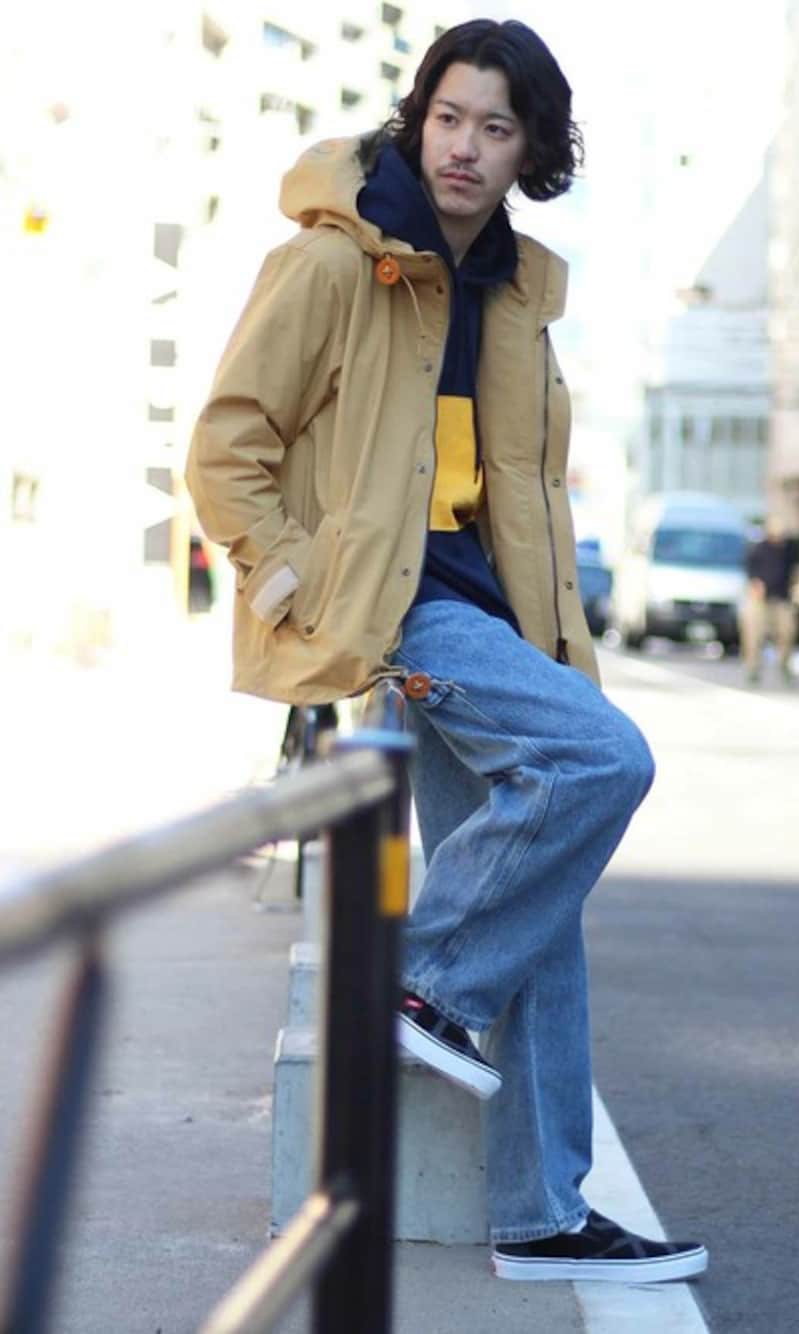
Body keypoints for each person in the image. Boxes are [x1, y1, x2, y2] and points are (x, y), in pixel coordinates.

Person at [185, 18, 707, 1284]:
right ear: (417, 121)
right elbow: (225, 448)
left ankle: (541, 1210)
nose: (464, 147)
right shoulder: (335, 263)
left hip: (489, 609)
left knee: (542, 900)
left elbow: (522, 491)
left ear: (532, 149)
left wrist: (555, 637)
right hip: (397, 607)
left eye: (496, 126)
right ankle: (421, 983)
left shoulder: (515, 294)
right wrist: (302, 586)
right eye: (448, 117)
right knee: (604, 759)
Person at [741, 515, 799, 685]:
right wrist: (755, 584)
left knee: (787, 631)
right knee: (754, 633)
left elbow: (794, 572)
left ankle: (785, 665)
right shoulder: (759, 549)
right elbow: (750, 570)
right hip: (761, 599)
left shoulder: (789, 551)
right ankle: (752, 667)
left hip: (782, 597)